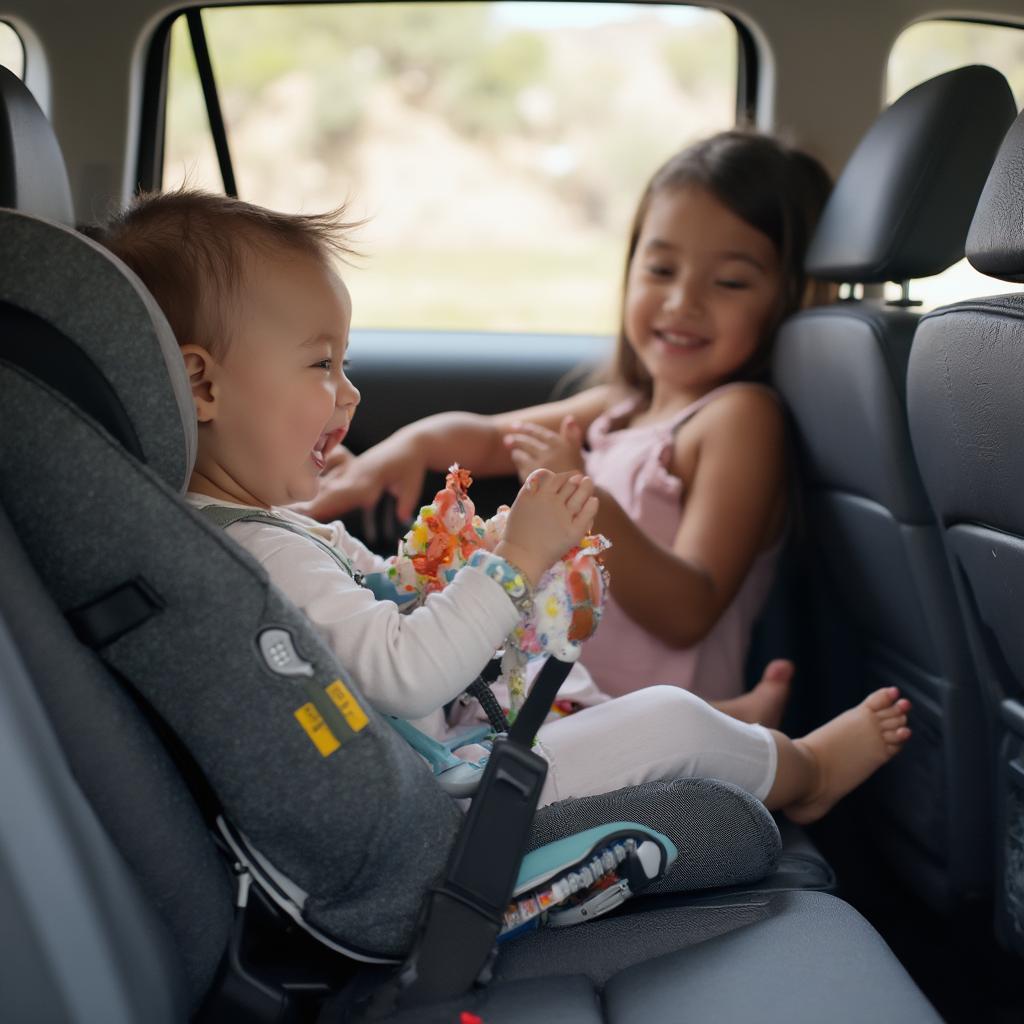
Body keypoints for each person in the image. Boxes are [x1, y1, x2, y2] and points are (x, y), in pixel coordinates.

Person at [94, 187, 909, 824]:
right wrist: (513, 561)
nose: (350, 391)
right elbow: (403, 670)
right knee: (669, 723)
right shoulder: (263, 552)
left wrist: (470, 553)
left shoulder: (249, 533)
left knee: (586, 686)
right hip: (444, 797)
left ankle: (743, 740)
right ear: (202, 383)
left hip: (443, 760)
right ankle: (805, 774)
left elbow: (377, 608)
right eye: (321, 365)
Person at [302, 131, 833, 722]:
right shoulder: (619, 407)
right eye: (660, 268)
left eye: (730, 282)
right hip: (554, 697)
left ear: (788, 295)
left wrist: (579, 491)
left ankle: (741, 728)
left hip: (642, 719)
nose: (683, 301)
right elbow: (484, 438)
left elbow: (690, 610)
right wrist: (413, 445)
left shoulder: (738, 417)